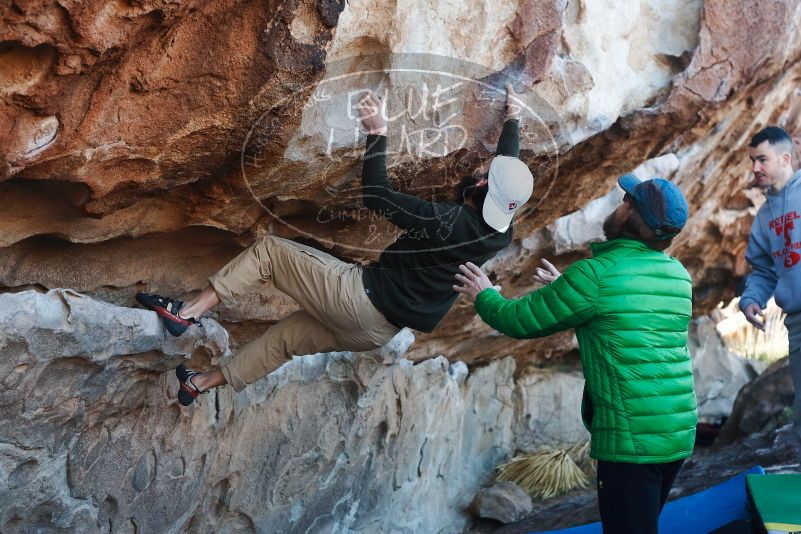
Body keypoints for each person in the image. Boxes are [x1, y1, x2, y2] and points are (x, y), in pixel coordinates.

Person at [135, 83, 534, 406]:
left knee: (270, 252)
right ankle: (198, 384)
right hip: (376, 333)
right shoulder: (500, 232)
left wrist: (377, 133)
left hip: (359, 298)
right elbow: (504, 178)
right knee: (284, 341)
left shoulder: (446, 220)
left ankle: (185, 314)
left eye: (484, 175)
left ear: (482, 188)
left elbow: (377, 195)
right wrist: (512, 117)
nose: (480, 173)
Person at [454, 175, 697, 534]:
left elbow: (519, 320)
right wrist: (565, 290)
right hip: (676, 433)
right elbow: (626, 319)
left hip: (632, 444)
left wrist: (484, 294)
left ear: (634, 218)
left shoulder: (595, 276)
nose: (620, 204)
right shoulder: (677, 275)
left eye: (627, 200)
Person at [739, 126, 801, 441]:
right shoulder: (765, 216)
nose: (755, 168)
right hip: (797, 323)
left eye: (762, 159)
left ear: (785, 158)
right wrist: (751, 299)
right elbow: (763, 268)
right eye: (753, 161)